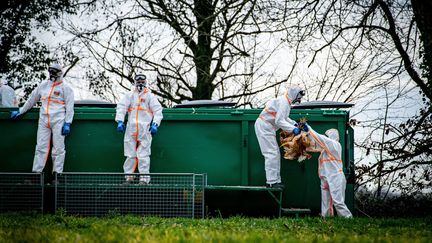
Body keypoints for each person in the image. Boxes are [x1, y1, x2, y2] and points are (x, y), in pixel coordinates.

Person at [10, 63, 75, 175]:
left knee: (58, 149)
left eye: (54, 71)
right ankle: (36, 173)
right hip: (44, 120)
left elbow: (70, 107)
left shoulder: (66, 88)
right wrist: (21, 111)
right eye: (51, 71)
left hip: (58, 120)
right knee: (40, 147)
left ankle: (57, 175)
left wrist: (67, 123)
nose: (52, 74)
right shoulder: (43, 85)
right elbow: (32, 100)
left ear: (60, 73)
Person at [115, 74, 163, 185]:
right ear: (135, 83)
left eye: (142, 81)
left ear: (145, 83)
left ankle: (144, 180)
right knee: (130, 154)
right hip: (131, 129)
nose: (140, 84)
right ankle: (129, 178)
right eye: (138, 81)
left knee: (143, 155)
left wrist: (155, 124)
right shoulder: (129, 95)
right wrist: (120, 121)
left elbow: (158, 111)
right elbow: (121, 107)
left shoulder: (150, 97)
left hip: (145, 130)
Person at [255, 86, 305, 189]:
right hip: (265, 126)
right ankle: (271, 182)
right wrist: (293, 130)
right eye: (299, 97)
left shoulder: (285, 101)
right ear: (295, 94)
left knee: (275, 153)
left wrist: (294, 124)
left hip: (267, 127)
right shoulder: (284, 102)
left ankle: (275, 180)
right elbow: (279, 121)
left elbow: (284, 118)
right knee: (271, 153)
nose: (299, 100)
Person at [302, 124, 353, 218]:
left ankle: (348, 218)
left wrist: (309, 129)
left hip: (335, 176)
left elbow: (319, 138)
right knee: (326, 202)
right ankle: (326, 218)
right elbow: (314, 146)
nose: (326, 138)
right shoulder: (325, 149)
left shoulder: (334, 144)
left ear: (331, 137)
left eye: (328, 136)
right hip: (325, 176)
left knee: (338, 201)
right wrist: (305, 137)